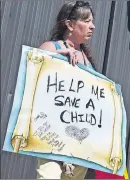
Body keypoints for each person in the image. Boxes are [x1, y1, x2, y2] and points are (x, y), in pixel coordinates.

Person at [37, 1, 95, 179]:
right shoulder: (50, 48)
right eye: (86, 21)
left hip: (79, 141)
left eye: (92, 21)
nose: (92, 26)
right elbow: (32, 66)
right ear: (70, 24)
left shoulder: (89, 63)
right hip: (51, 135)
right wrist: (57, 55)